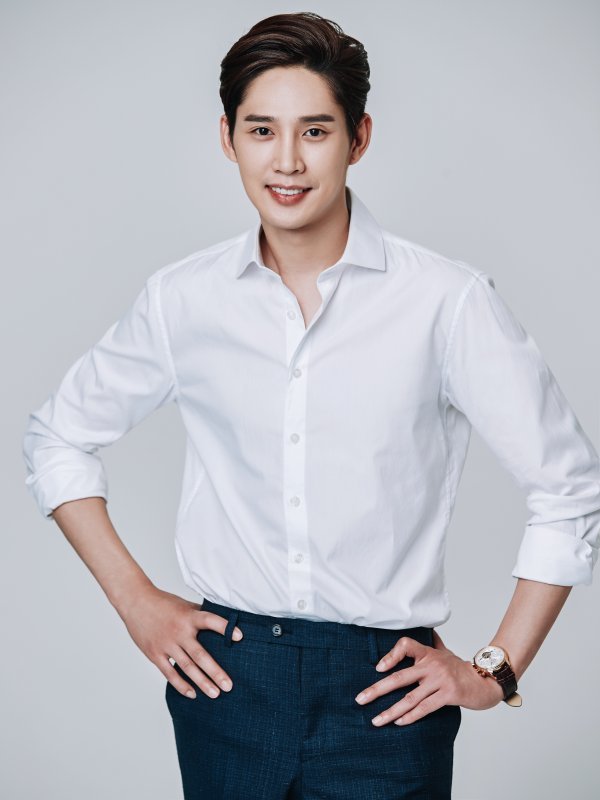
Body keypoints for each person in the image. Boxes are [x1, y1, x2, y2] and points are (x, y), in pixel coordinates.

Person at [22, 10, 600, 800]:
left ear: (359, 139)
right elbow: (56, 438)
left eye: (315, 131)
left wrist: (496, 668)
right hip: (227, 684)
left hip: (385, 694)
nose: (287, 160)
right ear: (228, 139)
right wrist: (136, 602)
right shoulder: (183, 300)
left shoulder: (446, 302)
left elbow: (568, 485)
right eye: (262, 130)